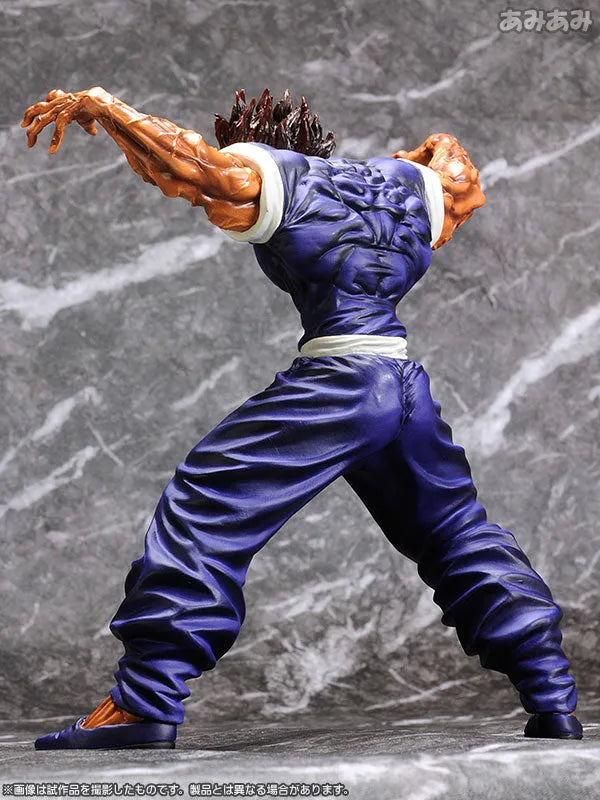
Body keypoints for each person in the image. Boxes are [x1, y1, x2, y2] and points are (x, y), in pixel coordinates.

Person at [22, 87, 582, 749]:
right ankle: (553, 698)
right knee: (456, 530)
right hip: (403, 386)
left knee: (207, 504)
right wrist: (419, 153)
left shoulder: (272, 176)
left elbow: (189, 167)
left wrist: (108, 109)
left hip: (339, 380)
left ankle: (143, 704)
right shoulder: (409, 187)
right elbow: (458, 173)